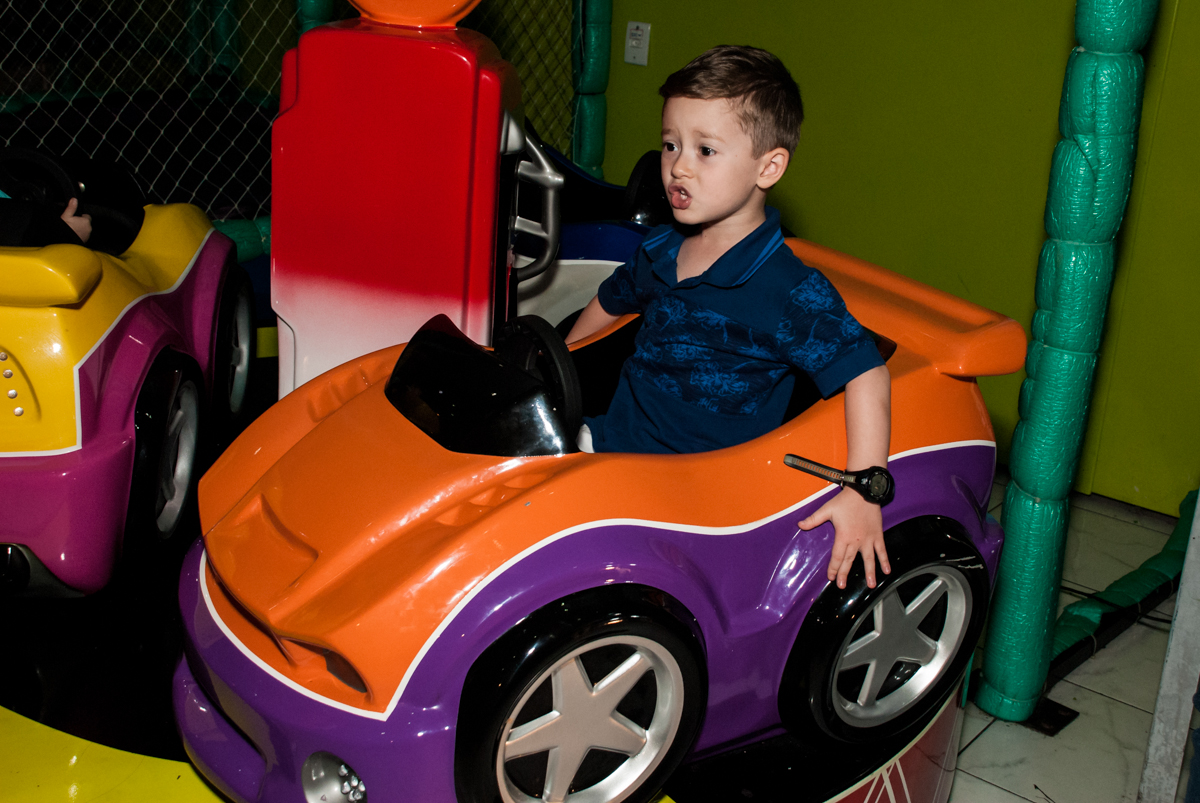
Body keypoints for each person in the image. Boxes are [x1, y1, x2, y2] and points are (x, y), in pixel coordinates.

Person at [565, 45, 893, 589]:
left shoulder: (790, 292)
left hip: (702, 499)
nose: (678, 166)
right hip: (609, 448)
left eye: (705, 150)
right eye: (671, 144)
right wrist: (568, 366)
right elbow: (611, 300)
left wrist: (864, 490)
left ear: (769, 166)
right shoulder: (662, 249)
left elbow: (866, 373)